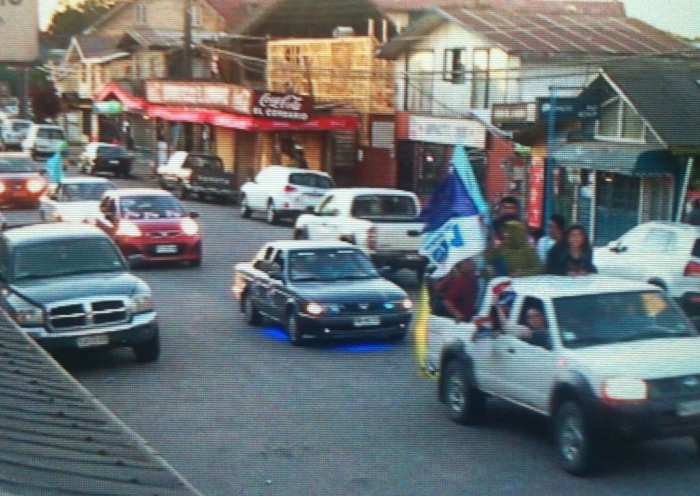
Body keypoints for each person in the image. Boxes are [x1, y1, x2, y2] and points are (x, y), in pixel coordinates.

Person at [436, 258, 480, 323]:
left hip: (471, 315)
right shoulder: (460, 281)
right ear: (461, 266)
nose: (473, 263)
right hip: (461, 320)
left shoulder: (473, 279)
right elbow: (447, 302)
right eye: (468, 261)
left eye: (472, 260)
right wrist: (457, 314)